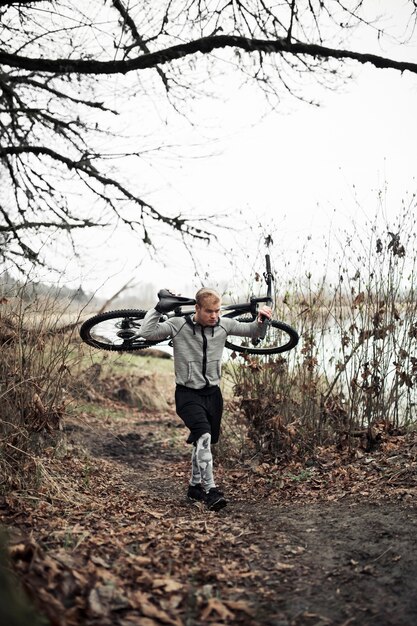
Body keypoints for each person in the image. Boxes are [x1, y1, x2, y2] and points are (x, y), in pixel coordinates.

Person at [140, 287, 272, 512]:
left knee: (204, 442)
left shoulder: (223, 325)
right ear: (197, 308)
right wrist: (157, 309)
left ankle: (194, 487)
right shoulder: (178, 325)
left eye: (217, 311)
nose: (214, 316)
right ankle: (211, 491)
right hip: (187, 394)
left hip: (213, 394)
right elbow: (146, 332)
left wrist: (262, 320)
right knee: (203, 434)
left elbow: (254, 332)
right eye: (209, 311)